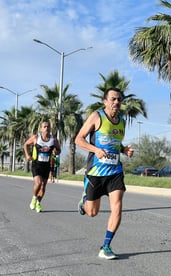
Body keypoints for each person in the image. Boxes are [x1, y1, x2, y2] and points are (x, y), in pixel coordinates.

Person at [75, 87, 134, 260]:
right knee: (92, 213)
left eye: (119, 100)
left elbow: (115, 144)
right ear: (105, 101)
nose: (117, 102)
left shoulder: (122, 121)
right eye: (113, 99)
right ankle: (84, 201)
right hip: (96, 171)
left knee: (117, 206)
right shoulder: (97, 116)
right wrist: (96, 150)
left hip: (115, 171)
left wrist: (124, 150)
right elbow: (78, 139)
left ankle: (106, 246)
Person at [23, 121, 61, 213]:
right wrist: (28, 155)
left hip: (46, 165)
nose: (46, 128)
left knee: (43, 186)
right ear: (41, 129)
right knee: (38, 183)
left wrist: (56, 152)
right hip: (36, 165)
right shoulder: (36, 138)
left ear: (50, 128)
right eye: (44, 127)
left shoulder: (54, 140)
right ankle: (34, 198)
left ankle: (38, 203)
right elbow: (26, 144)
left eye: (48, 127)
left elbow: (59, 150)